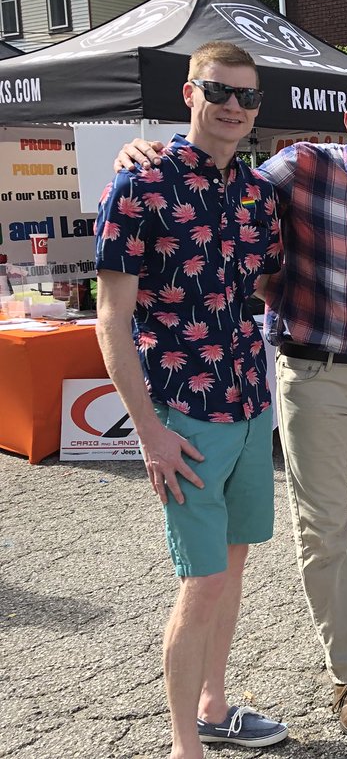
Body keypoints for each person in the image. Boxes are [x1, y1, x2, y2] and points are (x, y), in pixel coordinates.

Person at [115, 70, 347, 741]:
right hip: (314, 370)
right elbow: (214, 178)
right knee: (325, 527)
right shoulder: (295, 169)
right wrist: (139, 154)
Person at [95, 41, 288, 758]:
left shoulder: (257, 192)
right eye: (220, 91)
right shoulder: (139, 185)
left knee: (231, 567)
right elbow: (109, 319)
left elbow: (263, 287)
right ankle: (185, 747)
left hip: (247, 400)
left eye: (247, 96)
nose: (234, 106)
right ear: (190, 93)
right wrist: (147, 432)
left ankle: (214, 706)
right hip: (184, 413)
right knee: (202, 580)